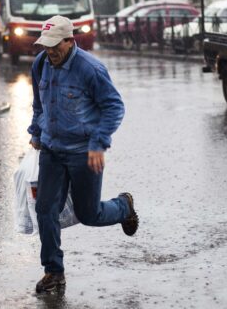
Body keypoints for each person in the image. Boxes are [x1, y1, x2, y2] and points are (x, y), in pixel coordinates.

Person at [28, 15, 139, 293]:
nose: (50, 51)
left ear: (70, 40)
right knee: (45, 210)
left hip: (83, 153)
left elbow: (114, 107)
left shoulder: (90, 69)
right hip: (52, 151)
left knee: (88, 214)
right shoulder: (40, 64)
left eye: (55, 45)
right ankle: (54, 271)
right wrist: (36, 133)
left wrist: (98, 143)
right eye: (45, 45)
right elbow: (39, 104)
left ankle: (124, 206)